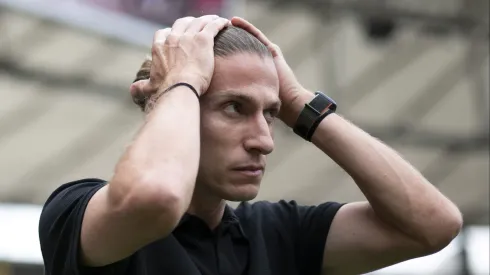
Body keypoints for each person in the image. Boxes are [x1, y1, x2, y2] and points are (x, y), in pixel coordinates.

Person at [38, 15, 463, 275]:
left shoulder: (278, 234)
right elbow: (156, 196)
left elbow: (432, 224)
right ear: (168, 103)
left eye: (271, 113)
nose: (264, 141)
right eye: (235, 108)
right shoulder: (76, 211)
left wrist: (301, 105)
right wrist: (180, 80)